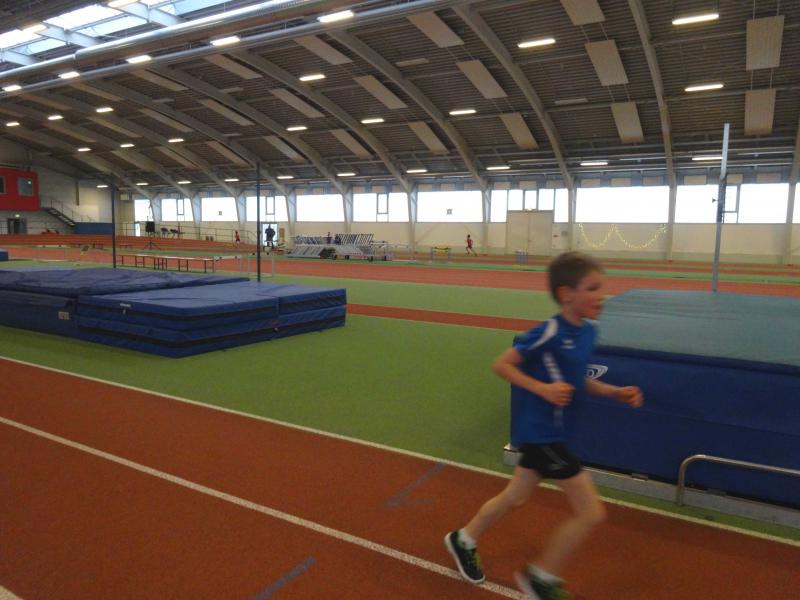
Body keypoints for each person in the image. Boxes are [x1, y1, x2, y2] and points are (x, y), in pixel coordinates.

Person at [444, 252, 643, 600]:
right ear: (567, 294)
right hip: (543, 434)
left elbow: (577, 379)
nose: (602, 296)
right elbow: (502, 365)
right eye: (592, 288)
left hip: (555, 433)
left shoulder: (588, 331)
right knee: (591, 512)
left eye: (602, 288)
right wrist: (542, 389)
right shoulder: (549, 331)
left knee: (516, 497)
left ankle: (463, 539)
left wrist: (614, 392)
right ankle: (540, 578)